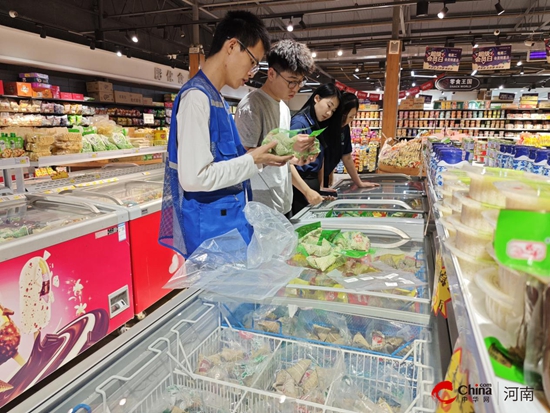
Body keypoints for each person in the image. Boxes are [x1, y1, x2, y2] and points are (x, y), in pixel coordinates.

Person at [158, 10, 293, 259]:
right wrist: (253, 160)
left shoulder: (215, 97)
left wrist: (261, 158)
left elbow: (225, 163)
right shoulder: (197, 98)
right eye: (252, 61)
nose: (252, 72)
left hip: (224, 230)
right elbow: (195, 178)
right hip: (210, 237)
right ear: (232, 46)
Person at [235, 39, 322, 219]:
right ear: (271, 73)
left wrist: (297, 160)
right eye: (291, 82)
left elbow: (283, 161)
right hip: (260, 207)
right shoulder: (251, 106)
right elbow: (245, 160)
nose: (296, 88)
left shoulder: (283, 107)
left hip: (282, 201)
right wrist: (289, 146)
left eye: (300, 82)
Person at [290, 83, 341, 214]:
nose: (329, 113)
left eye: (333, 111)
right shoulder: (299, 123)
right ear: (317, 98)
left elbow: (319, 159)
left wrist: (320, 187)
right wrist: (307, 191)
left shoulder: (315, 123)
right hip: (299, 187)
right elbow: (287, 162)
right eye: (329, 106)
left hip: (309, 186)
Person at [323, 92, 380, 189]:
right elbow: (321, 158)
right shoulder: (324, 126)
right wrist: (320, 186)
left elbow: (347, 157)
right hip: (310, 178)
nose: (351, 120)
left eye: (353, 116)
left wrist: (359, 183)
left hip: (323, 177)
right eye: (350, 116)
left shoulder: (344, 129)